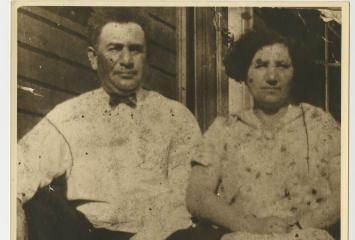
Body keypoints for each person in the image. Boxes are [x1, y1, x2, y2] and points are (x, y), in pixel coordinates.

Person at [17, 7, 201, 240]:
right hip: (88, 233)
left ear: (147, 58)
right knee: (39, 204)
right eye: (115, 48)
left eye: (135, 50)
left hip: (160, 235)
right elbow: (16, 170)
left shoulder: (176, 117)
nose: (126, 61)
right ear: (94, 58)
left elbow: (185, 200)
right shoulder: (68, 115)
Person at [186, 30, 340, 240]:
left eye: (282, 66)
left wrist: (300, 225)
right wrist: (250, 225)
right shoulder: (224, 130)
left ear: (295, 72)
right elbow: (197, 197)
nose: (272, 77)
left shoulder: (320, 124)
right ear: (245, 74)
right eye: (260, 65)